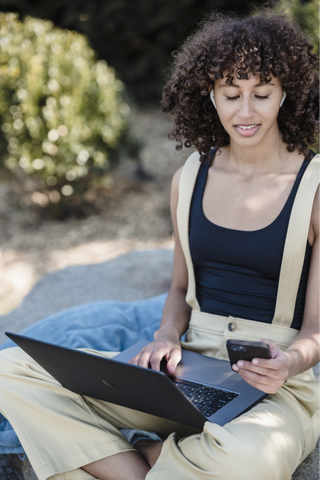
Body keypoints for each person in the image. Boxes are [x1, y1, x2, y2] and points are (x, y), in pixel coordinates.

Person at [1, 9, 320, 480]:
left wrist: (288, 362)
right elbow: (178, 289)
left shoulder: (314, 187)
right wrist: (166, 337)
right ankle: (151, 465)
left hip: (274, 385)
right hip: (189, 370)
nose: (246, 112)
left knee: (248, 460)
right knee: (12, 371)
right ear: (211, 95)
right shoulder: (189, 178)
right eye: (232, 95)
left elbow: (316, 325)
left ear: (285, 93)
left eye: (262, 94)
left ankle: (119, 459)